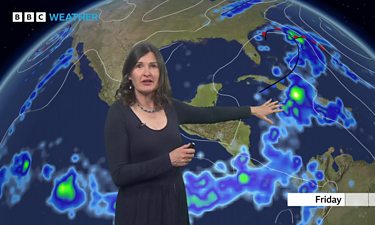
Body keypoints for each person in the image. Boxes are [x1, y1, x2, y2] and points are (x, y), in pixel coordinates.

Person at [103, 42, 283, 225]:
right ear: (129, 75)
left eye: (153, 66)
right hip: (138, 211)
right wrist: (169, 160)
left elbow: (209, 114)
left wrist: (252, 110)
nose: (147, 73)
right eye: (139, 66)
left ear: (161, 74)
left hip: (172, 206)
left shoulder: (170, 107)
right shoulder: (119, 113)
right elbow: (120, 175)